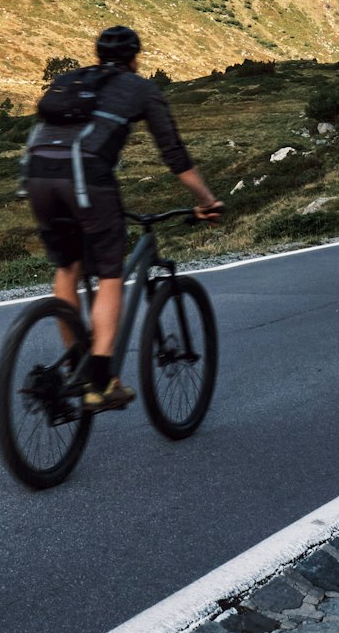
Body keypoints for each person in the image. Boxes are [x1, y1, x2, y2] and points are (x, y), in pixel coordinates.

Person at [25, 25, 222, 412]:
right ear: (135, 58)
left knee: (67, 268)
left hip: (36, 176)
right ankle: (100, 381)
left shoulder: (71, 81)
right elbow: (175, 157)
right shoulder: (141, 89)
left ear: (98, 56)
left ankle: (77, 365)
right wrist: (207, 200)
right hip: (87, 179)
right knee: (111, 273)